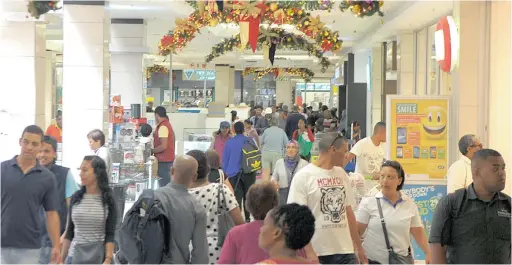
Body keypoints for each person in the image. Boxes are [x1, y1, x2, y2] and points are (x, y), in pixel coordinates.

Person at [288, 133, 366, 264]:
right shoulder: (303, 177)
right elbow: (296, 219)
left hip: (345, 252)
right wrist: (309, 251)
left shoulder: (342, 174)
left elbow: (348, 213)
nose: (347, 155)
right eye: (345, 151)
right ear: (333, 150)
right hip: (318, 252)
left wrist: (358, 247)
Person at [429, 149, 510, 264]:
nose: (502, 173)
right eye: (495, 169)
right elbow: (437, 255)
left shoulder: (508, 205)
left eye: (503, 168)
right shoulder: (451, 204)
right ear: (477, 172)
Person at [1, 125, 61, 264]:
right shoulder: (2, 170)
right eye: (26, 142)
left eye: (34, 144)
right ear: (20, 141)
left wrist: (56, 246)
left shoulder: (47, 178)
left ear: (41, 146)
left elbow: (52, 214)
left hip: (30, 247)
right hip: (1, 243)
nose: (29, 147)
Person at [218, 183, 317, 264]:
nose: (260, 229)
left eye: (264, 225)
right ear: (276, 202)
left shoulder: (235, 233)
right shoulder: (293, 228)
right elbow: (311, 257)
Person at [356, 160, 431, 264]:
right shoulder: (369, 202)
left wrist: (428, 253)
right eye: (382, 176)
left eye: (390, 177)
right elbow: (356, 232)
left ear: (399, 180)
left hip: (401, 260)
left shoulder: (409, 204)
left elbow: (418, 232)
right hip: (373, 261)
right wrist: (357, 253)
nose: (385, 181)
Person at [187, 150, 245, 265]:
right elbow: (240, 223)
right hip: (220, 252)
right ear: (208, 170)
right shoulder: (221, 190)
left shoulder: (181, 195)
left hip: (190, 253)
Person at [61, 156, 117, 264]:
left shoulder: (107, 200)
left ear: (97, 173)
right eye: (80, 170)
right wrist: (61, 259)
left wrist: (108, 259)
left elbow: (110, 233)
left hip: (99, 257)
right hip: (75, 257)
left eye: (85, 170)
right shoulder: (76, 198)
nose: (81, 173)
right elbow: (70, 232)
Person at [156, 155, 209, 264]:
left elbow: (130, 230)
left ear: (172, 171)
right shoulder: (197, 209)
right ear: (194, 177)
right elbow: (200, 253)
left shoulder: (150, 197)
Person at [38, 135, 80, 264]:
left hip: (55, 240)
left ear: (55, 154)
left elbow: (73, 209)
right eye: (40, 150)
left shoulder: (64, 175)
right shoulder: (28, 175)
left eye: (47, 151)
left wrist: (66, 235)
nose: (42, 155)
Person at [223, 122, 257, 222]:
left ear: (233, 130)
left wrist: (225, 173)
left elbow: (225, 160)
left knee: (236, 197)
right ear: (243, 129)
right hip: (249, 172)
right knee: (248, 195)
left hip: (234, 173)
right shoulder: (250, 140)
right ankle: (247, 218)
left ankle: (237, 220)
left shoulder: (229, 142)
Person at [271, 140, 309, 205]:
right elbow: (274, 177)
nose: (290, 149)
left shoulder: (304, 164)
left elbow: (308, 181)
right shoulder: (279, 162)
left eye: (293, 147)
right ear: (286, 149)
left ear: (298, 150)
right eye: (288, 147)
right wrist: (274, 181)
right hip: (282, 196)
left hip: (298, 195)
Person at [153, 106, 176, 187]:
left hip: (164, 162)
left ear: (156, 115)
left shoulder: (163, 127)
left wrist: (151, 151)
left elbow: (163, 146)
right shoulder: (166, 125)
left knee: (164, 187)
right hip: (167, 161)